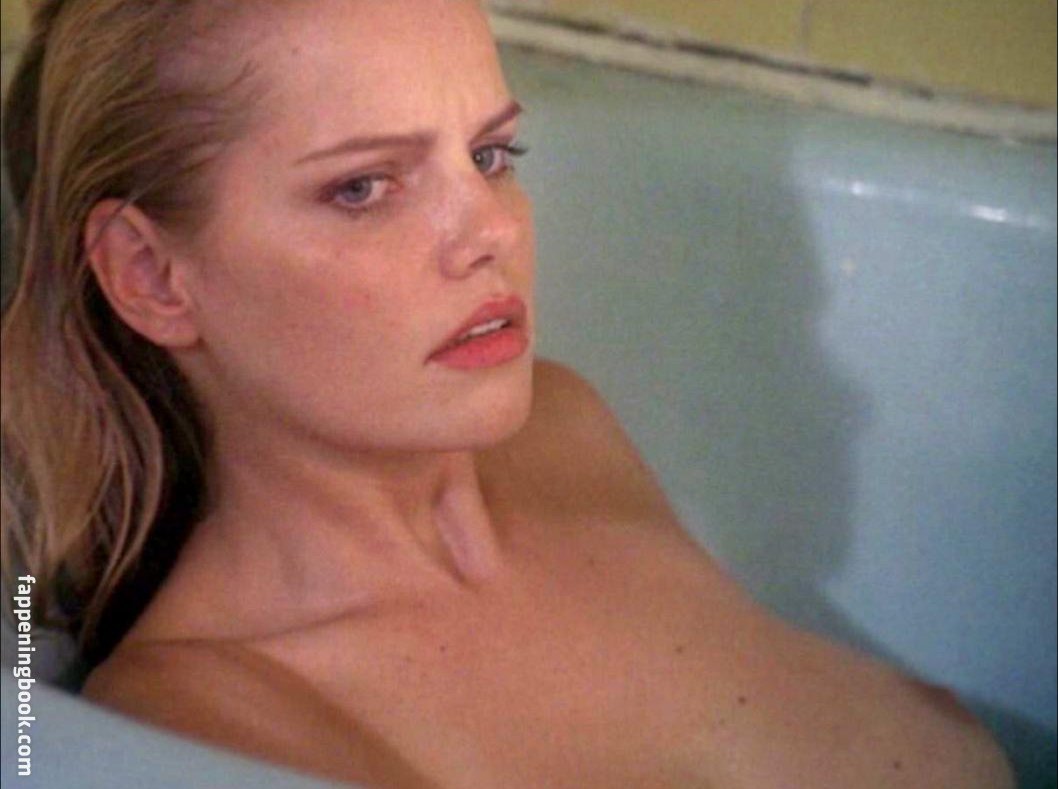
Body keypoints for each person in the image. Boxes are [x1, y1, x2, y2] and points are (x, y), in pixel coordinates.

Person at [1, 1, 1014, 786]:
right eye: (364, 187)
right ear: (151, 275)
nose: (491, 228)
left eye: (490, 155)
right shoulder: (208, 720)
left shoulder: (562, 428)